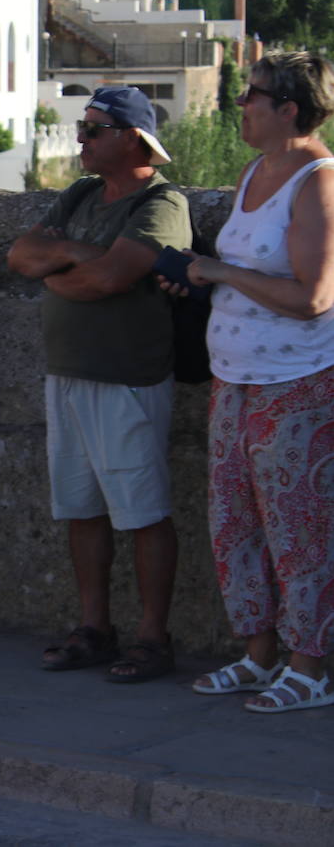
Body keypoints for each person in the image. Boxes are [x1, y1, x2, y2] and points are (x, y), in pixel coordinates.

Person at [7, 86, 191, 682]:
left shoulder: (162, 203)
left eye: (94, 128)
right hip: (68, 373)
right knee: (80, 508)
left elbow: (113, 277)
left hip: (126, 378)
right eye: (82, 126)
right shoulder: (83, 193)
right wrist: (71, 253)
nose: (81, 138)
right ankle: (95, 627)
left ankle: (152, 637)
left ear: (132, 137)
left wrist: (62, 269)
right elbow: (21, 254)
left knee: (141, 512)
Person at [176, 53, 334, 713]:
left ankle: (311, 666)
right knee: (234, 523)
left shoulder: (318, 183)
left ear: (288, 108)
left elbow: (315, 298)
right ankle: (258, 653)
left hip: (294, 382)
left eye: (251, 96)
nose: (239, 105)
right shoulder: (252, 173)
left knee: (300, 528)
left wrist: (220, 273)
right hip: (233, 379)